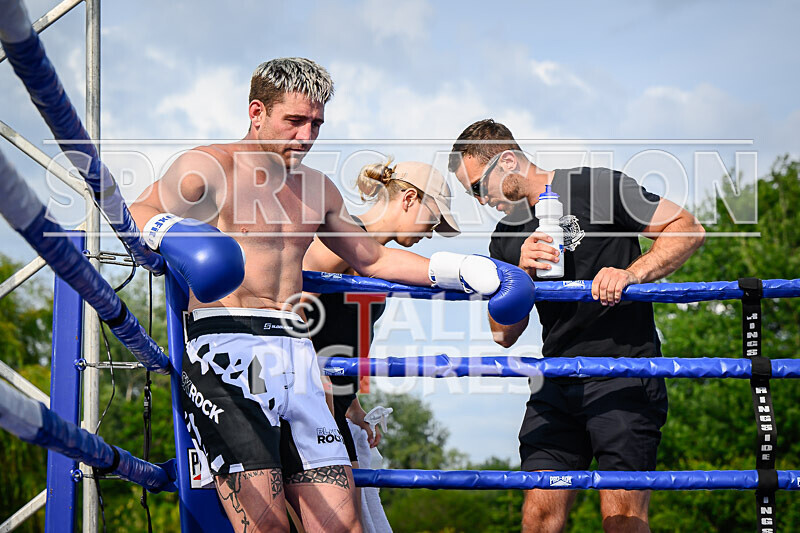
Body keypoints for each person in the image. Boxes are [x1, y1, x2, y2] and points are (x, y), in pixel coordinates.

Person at [130, 60, 533, 533]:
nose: (306, 136)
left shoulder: (317, 188)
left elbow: (373, 260)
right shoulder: (209, 166)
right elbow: (140, 208)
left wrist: (464, 269)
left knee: (343, 527)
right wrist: (172, 234)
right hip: (226, 351)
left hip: (297, 354)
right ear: (256, 111)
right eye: (294, 121)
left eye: (316, 123)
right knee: (266, 527)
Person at [449, 119, 706, 533]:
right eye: (470, 193)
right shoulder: (504, 238)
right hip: (556, 380)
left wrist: (631, 274)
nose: (480, 200)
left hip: (624, 370)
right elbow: (502, 335)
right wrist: (519, 277)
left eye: (479, 187)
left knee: (621, 520)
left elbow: (687, 229)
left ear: (508, 161)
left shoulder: (597, 186)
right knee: (538, 517)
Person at [303, 159, 459, 524]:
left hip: (333, 411)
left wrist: (352, 403)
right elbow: (290, 308)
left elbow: (338, 334)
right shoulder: (341, 239)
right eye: (433, 219)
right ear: (408, 199)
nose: (432, 232)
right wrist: (314, 377)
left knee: (354, 522)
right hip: (306, 407)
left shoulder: (380, 264)